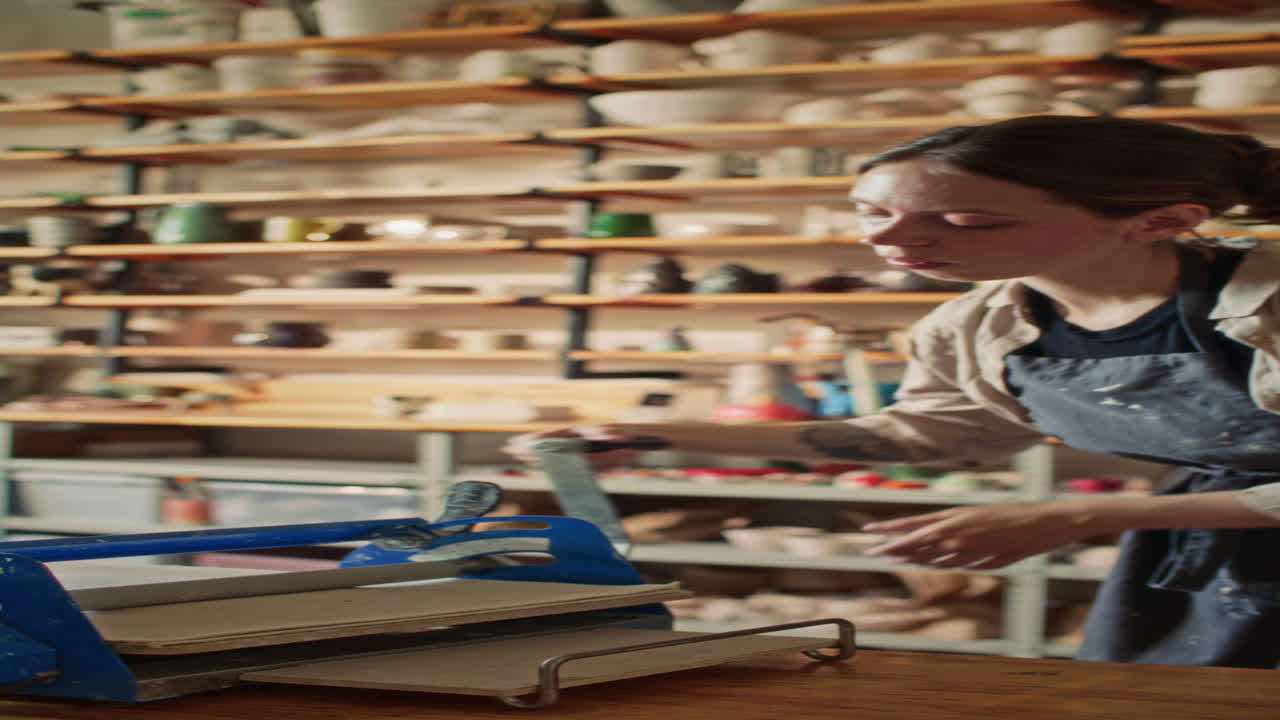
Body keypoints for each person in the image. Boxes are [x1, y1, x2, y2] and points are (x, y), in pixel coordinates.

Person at [505, 115, 1280, 668]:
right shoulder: (979, 325)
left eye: (965, 219)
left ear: (1160, 221)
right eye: (874, 214)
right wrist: (655, 436)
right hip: (1206, 557)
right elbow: (917, 436)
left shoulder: (1264, 305)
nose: (891, 242)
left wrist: (1080, 513)